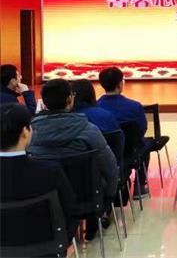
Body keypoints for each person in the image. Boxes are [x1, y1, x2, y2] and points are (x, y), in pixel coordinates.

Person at [27, 79, 118, 241]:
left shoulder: (29, 134)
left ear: (45, 104)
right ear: (70, 100)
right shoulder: (89, 130)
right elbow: (110, 168)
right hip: (86, 199)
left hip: (44, 202)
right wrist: (109, 197)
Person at [0, 103, 77, 248]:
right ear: (25, 132)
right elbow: (71, 212)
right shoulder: (51, 171)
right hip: (48, 248)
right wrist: (61, 245)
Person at [96, 66, 150, 198]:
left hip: (103, 152)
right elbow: (142, 130)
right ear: (120, 84)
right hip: (130, 152)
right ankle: (139, 186)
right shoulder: (135, 106)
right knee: (145, 144)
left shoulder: (96, 107)